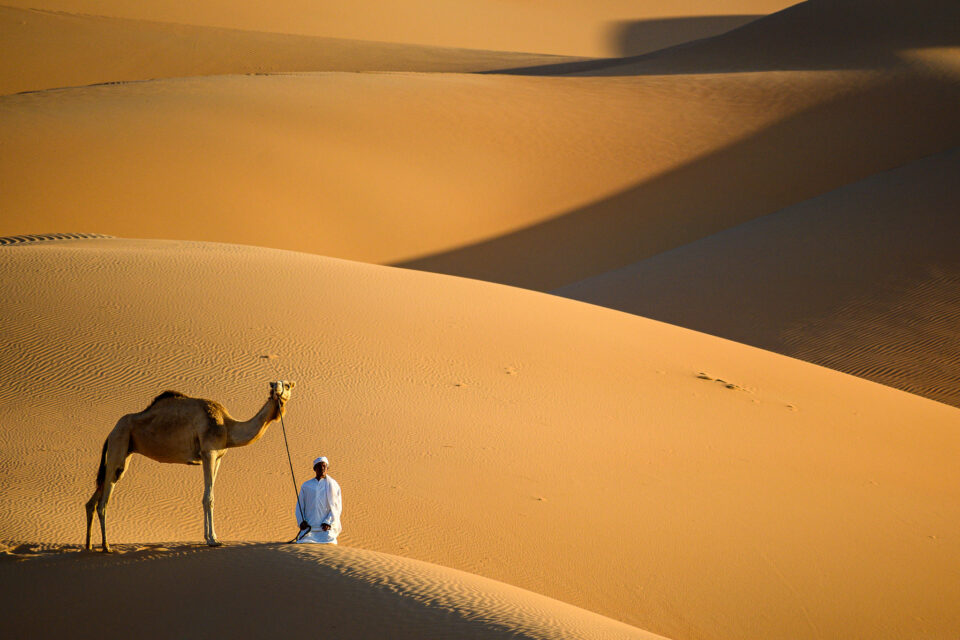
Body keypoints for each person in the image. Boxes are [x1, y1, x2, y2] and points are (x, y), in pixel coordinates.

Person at [295, 456, 342, 544]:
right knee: (303, 542)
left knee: (330, 542)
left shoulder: (334, 486)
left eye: (324, 466)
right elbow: (300, 506)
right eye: (319, 466)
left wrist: (328, 522)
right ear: (314, 469)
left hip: (325, 529)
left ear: (327, 468)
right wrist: (301, 521)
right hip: (309, 528)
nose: (322, 468)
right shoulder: (306, 485)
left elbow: (336, 507)